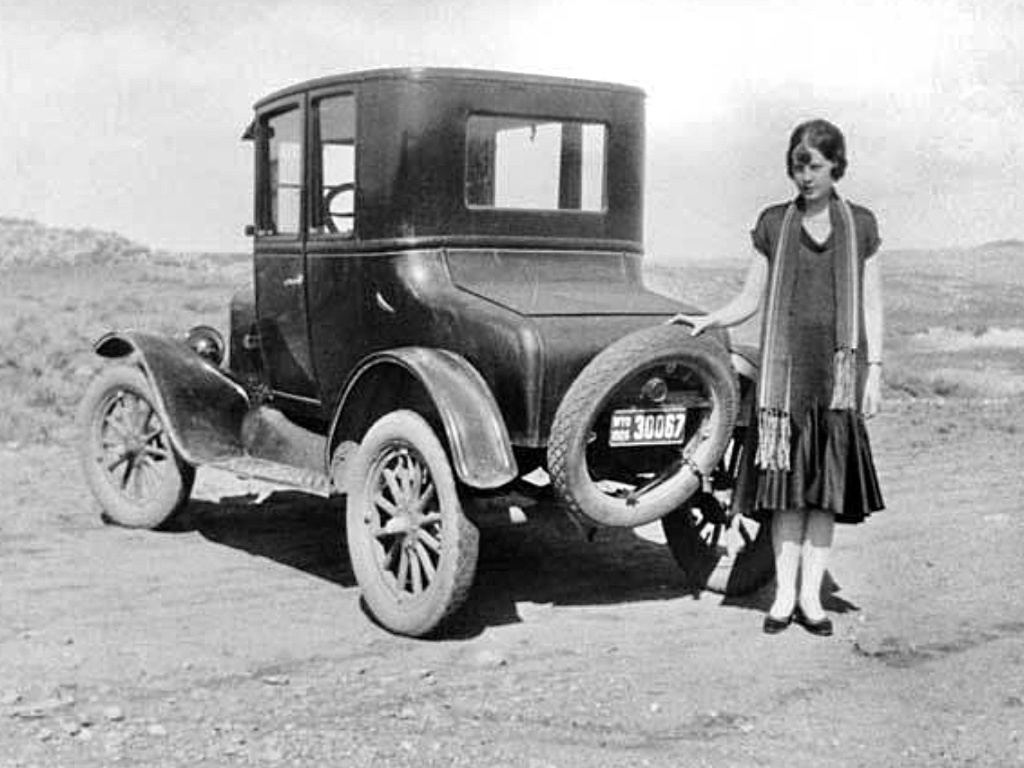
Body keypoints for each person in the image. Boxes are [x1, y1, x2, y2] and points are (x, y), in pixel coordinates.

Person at [671, 118, 885, 636]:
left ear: (836, 166)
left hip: (836, 381)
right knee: (786, 496)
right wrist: (708, 319)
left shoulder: (860, 224)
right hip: (784, 384)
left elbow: (871, 304)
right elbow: (751, 298)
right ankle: (784, 596)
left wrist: (875, 371)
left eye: (814, 166)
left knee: (823, 495)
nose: (805, 177)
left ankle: (812, 599)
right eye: (797, 167)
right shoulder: (773, 224)